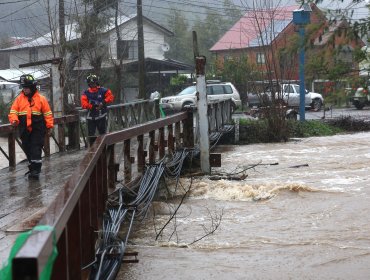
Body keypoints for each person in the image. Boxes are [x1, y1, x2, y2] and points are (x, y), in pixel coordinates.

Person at [8, 74, 54, 179]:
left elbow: (48, 113)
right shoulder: (19, 99)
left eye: (27, 87)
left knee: (36, 148)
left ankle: (36, 171)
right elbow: (13, 112)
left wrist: (49, 126)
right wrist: (14, 120)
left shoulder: (41, 99)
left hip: (38, 128)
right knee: (27, 148)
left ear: (32, 87)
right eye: (23, 87)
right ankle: (32, 168)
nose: (25, 89)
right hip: (24, 129)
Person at [81, 74, 114, 146]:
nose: (93, 85)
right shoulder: (86, 93)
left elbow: (110, 97)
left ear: (97, 82)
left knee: (102, 134)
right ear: (88, 84)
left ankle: (104, 147)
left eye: (94, 83)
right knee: (91, 135)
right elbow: (83, 104)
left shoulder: (103, 90)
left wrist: (103, 102)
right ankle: (92, 149)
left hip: (101, 116)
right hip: (91, 117)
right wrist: (92, 106)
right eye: (91, 83)